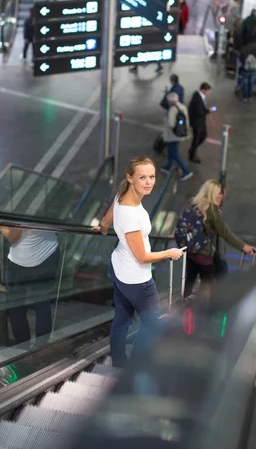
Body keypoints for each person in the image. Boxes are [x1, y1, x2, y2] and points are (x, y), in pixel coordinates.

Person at [93, 156, 184, 367]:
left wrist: (104, 227)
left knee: (122, 319)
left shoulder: (123, 191)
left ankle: (118, 362)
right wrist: (169, 252)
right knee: (152, 324)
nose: (149, 182)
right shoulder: (132, 215)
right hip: (137, 279)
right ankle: (135, 367)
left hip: (119, 268)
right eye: (142, 177)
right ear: (130, 177)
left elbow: (109, 216)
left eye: (151, 176)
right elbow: (142, 257)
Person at [177, 180, 256, 298]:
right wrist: (243, 246)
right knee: (206, 288)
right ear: (213, 193)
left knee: (188, 283)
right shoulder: (213, 210)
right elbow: (224, 232)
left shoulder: (194, 204)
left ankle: (182, 309)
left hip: (190, 253)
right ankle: (200, 313)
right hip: (205, 256)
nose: (222, 196)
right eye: (219, 193)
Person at [0, 228, 59, 346]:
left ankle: (22, 348)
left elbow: (13, 237)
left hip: (22, 259)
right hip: (49, 253)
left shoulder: (23, 208)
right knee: (42, 303)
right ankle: (40, 347)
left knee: (16, 306)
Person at [160, 92, 193, 181]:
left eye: (168, 101)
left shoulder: (172, 109)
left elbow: (171, 124)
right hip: (180, 133)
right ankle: (167, 168)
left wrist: (165, 120)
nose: (167, 102)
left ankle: (187, 171)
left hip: (172, 135)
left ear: (171, 101)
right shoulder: (183, 107)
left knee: (174, 154)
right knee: (171, 152)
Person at [188, 82, 211, 164]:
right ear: (203, 90)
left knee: (203, 136)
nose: (208, 92)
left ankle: (192, 150)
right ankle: (192, 155)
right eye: (207, 91)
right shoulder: (197, 98)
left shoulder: (199, 96)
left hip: (200, 122)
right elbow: (199, 112)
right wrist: (208, 111)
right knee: (196, 139)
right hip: (197, 123)